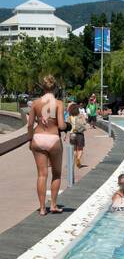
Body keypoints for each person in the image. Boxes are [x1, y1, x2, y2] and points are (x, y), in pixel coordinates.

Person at [27, 75, 66, 215]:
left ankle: (42, 208)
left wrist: (30, 139)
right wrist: (66, 125)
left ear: (42, 88)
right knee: (56, 174)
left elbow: (30, 124)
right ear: (55, 88)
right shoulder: (59, 103)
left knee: (42, 175)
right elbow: (61, 125)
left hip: (38, 138)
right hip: (53, 138)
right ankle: (53, 205)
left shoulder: (35, 103)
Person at [68, 102, 87, 169]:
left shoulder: (70, 117)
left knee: (74, 149)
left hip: (72, 134)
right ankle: (78, 158)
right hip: (80, 134)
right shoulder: (81, 115)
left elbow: (68, 126)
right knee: (80, 148)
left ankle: (75, 159)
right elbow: (84, 123)